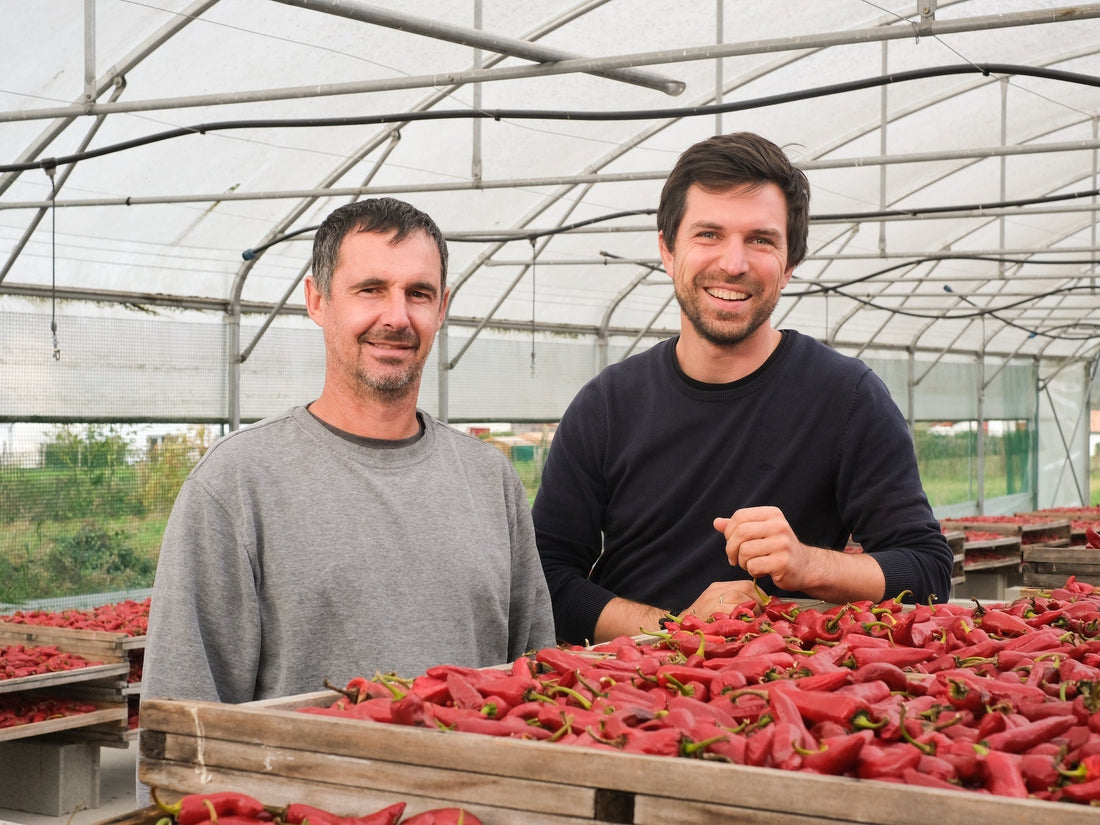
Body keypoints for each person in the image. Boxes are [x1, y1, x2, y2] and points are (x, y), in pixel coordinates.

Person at [532, 132, 954, 646]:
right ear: (667, 250)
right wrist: (675, 629)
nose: (734, 263)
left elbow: (928, 570)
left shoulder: (845, 398)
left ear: (790, 262)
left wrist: (807, 565)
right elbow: (546, 579)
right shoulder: (607, 405)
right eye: (708, 234)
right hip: (623, 697)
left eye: (761, 239)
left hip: (785, 697)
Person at [142, 197, 555, 710]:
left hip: (474, 790)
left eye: (418, 294)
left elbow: (537, 681)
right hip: (299, 793)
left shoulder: (489, 480)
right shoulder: (237, 482)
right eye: (371, 290)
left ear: (442, 308)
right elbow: (181, 716)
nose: (397, 317)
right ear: (317, 300)